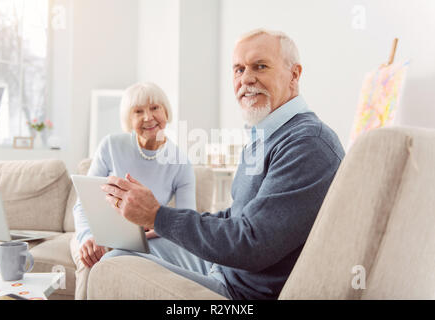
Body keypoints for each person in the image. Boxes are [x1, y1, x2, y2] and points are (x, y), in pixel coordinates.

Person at [100, 29, 345, 300]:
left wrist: (157, 215)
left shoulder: (307, 143)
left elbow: (251, 244)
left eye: (260, 66)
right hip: (224, 268)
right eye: (238, 70)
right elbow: (239, 216)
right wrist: (165, 224)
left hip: (238, 293)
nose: (246, 79)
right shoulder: (266, 134)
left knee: (113, 268)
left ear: (294, 75)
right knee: (121, 255)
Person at [70, 82, 196, 300]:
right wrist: (87, 237)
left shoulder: (181, 162)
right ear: (129, 119)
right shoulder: (110, 145)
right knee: (90, 262)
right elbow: (82, 204)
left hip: (148, 240)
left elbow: (187, 221)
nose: (148, 117)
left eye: (155, 108)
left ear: (166, 111)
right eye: (138, 111)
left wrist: (152, 227)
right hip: (98, 234)